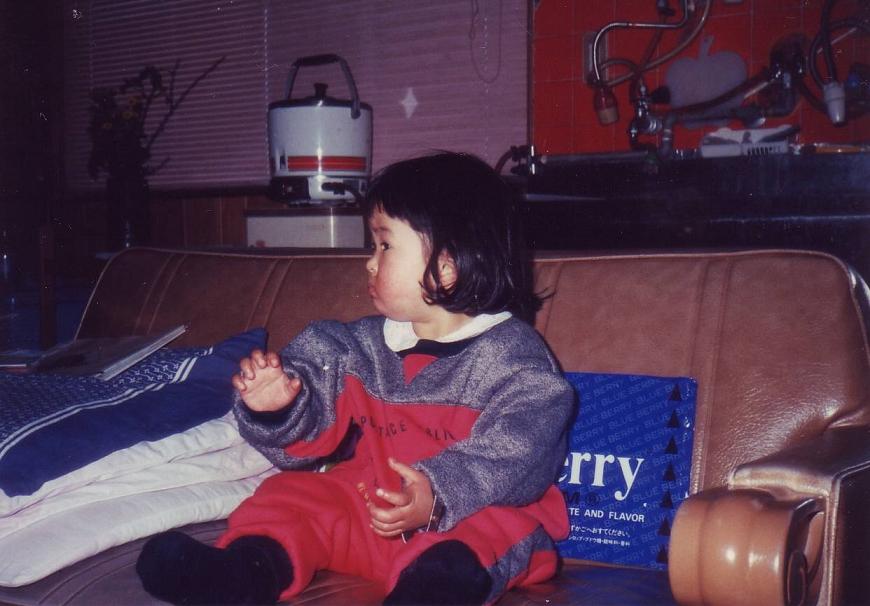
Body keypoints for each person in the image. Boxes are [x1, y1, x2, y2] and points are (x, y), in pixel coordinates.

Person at [136, 151, 575, 605]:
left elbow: (521, 452)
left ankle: (428, 592)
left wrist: (436, 494)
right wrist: (280, 406)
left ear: (446, 267)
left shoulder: (514, 359)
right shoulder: (356, 346)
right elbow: (312, 409)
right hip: (370, 510)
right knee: (292, 494)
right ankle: (241, 572)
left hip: (462, 515)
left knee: (492, 531)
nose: (369, 262)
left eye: (384, 245)